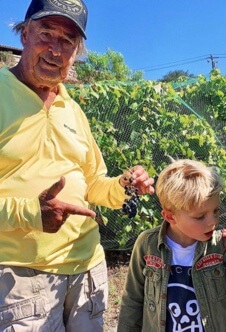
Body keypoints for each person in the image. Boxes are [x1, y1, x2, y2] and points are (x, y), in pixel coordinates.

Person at [0, 0, 155, 331]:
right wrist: (29, 213)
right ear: (25, 34)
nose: (56, 50)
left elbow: (95, 183)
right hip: (21, 277)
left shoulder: (72, 109)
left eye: (67, 40)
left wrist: (124, 184)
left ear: (76, 52)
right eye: (46, 33)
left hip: (87, 270)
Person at [117, 159, 226, 332]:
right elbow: (133, 300)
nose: (213, 221)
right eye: (200, 217)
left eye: (216, 211)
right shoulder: (147, 244)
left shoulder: (220, 245)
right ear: (170, 216)